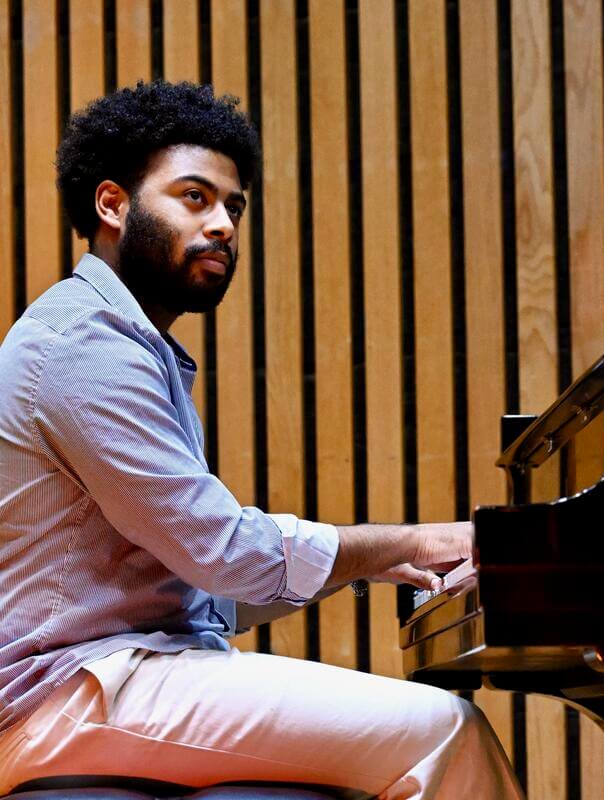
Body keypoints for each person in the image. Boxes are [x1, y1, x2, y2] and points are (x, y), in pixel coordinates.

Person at [0, 81, 524, 799]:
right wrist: (405, 543)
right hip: (63, 694)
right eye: (194, 197)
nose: (222, 225)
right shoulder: (81, 347)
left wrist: (364, 567)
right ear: (113, 205)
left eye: (233, 207)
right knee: (442, 731)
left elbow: (198, 587)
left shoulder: (121, 342)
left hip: (116, 674)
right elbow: (223, 554)